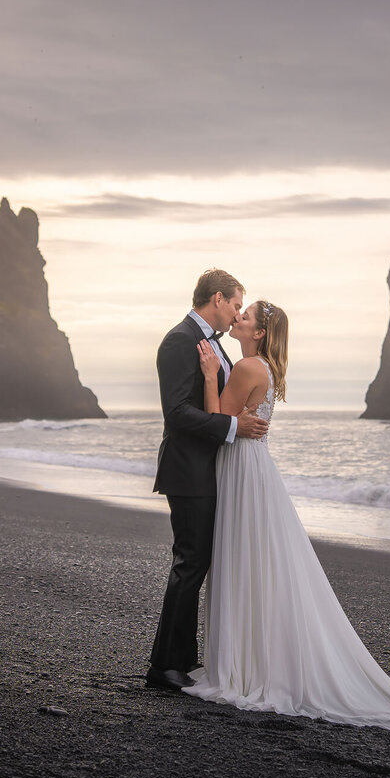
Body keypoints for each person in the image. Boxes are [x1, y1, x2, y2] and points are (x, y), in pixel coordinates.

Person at [185, 299, 390, 733]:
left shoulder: (249, 369)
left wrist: (211, 375)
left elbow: (217, 419)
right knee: (256, 562)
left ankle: (246, 666)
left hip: (241, 469)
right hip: (253, 467)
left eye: (246, 315)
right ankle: (254, 659)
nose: (239, 317)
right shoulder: (262, 369)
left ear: (259, 334)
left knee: (243, 559)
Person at [146, 269, 269, 692]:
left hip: (207, 469)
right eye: (236, 304)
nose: (237, 313)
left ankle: (183, 657)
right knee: (190, 563)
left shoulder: (214, 347)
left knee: (196, 564)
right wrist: (234, 428)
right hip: (188, 470)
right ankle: (164, 666)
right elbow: (177, 413)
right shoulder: (180, 340)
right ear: (217, 299)